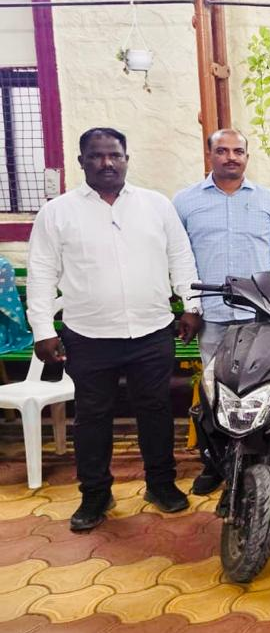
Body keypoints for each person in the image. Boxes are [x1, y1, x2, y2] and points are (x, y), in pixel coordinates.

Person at [26, 128, 202, 531]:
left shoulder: (156, 205)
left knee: (155, 410)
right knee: (92, 416)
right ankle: (95, 494)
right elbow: (41, 273)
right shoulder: (58, 213)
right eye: (96, 156)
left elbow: (181, 257)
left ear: (126, 159)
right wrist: (42, 330)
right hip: (89, 335)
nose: (107, 163)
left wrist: (191, 305)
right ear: (81, 161)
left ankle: (161, 484)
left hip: (151, 331)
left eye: (114, 155)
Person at [174, 128, 270, 495]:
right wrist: (191, 305)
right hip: (210, 317)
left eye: (238, 151)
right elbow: (178, 257)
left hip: (257, 317)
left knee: (257, 388)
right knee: (214, 392)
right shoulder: (185, 202)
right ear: (210, 155)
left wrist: (255, 288)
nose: (231, 157)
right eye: (222, 151)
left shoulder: (268, 201)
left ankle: (256, 460)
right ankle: (216, 463)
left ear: (247, 157)